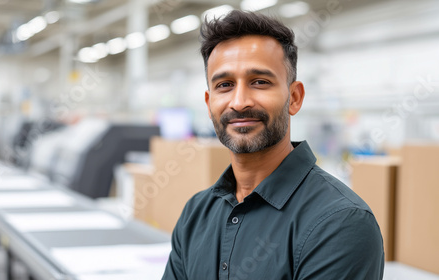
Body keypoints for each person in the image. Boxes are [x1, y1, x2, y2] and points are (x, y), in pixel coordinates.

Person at [162, 10, 384, 280]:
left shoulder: (340, 222)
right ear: (209, 103)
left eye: (259, 82)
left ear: (294, 97)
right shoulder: (195, 214)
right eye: (225, 85)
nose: (239, 101)